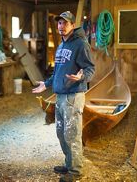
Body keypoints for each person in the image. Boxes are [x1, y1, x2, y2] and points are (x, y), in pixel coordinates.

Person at [32, 11, 95, 182]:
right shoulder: (61, 46)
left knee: (72, 134)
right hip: (60, 96)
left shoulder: (81, 44)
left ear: (72, 25)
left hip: (73, 96)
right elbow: (58, 71)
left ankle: (76, 172)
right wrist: (46, 84)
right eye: (59, 23)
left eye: (65, 23)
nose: (61, 26)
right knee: (61, 133)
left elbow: (90, 69)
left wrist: (81, 77)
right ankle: (69, 164)